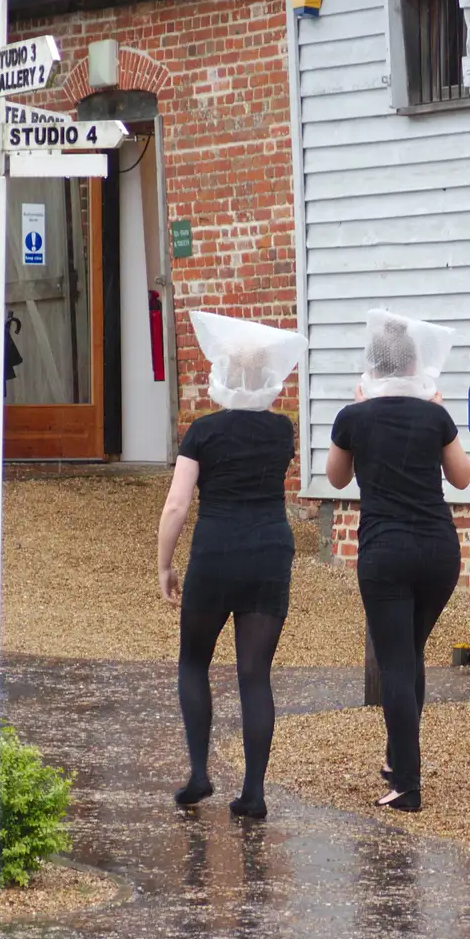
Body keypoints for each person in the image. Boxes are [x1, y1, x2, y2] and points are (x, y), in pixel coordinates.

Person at [158, 311, 306, 820]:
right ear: (268, 377)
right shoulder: (281, 430)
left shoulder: (203, 432)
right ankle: (253, 793)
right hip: (269, 553)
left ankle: (200, 772)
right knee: (253, 675)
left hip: (215, 554)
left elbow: (177, 505)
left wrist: (164, 565)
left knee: (194, 661)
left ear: (222, 372)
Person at [327, 311, 470, 813]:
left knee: (395, 662)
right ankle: (396, 761)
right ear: (414, 364)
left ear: (372, 366)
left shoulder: (355, 417)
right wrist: (440, 412)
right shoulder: (434, 416)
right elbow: (462, 478)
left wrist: (354, 417)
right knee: (408, 653)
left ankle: (407, 785)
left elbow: (337, 480)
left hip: (385, 552)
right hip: (438, 551)